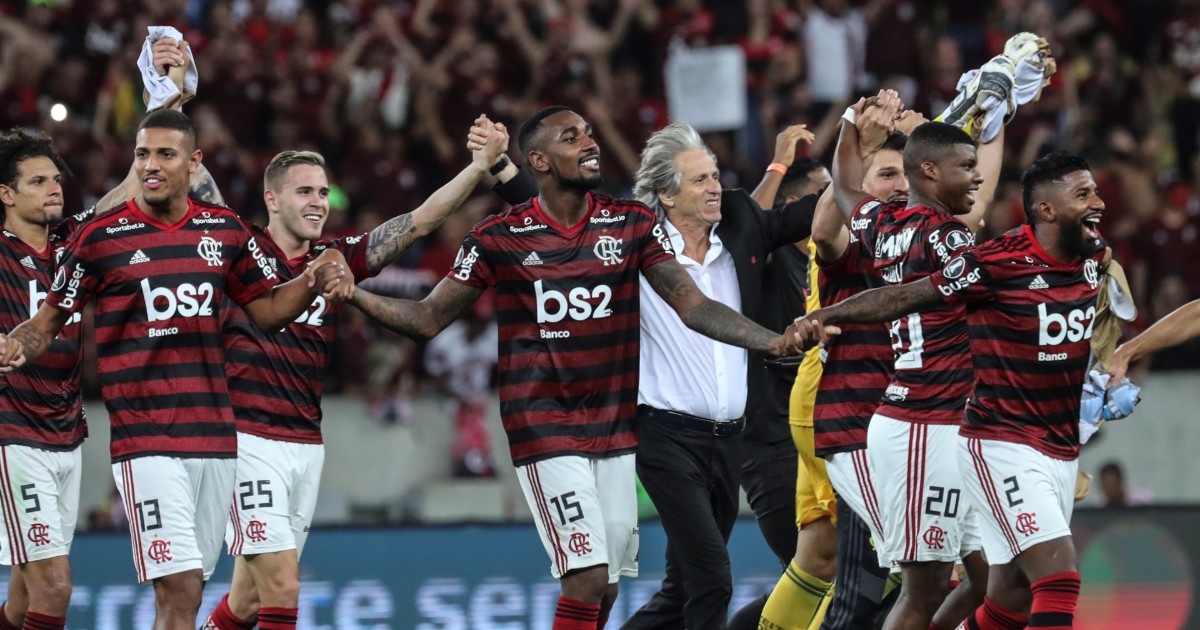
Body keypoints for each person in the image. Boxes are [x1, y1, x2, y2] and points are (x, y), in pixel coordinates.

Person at [348, 106, 806, 630]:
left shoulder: (630, 225)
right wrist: (353, 295)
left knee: (605, 589)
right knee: (593, 579)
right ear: (541, 160)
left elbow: (695, 306)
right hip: (546, 426)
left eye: (589, 132)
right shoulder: (498, 236)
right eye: (572, 137)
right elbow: (427, 317)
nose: (590, 142)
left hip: (614, 428)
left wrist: (772, 341)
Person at [0, 110, 350, 630]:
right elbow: (47, 322)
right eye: (142, 154)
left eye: (165, 154)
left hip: (214, 440)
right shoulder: (98, 239)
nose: (151, 165)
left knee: (190, 594)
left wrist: (313, 279)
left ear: (193, 162)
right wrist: (14, 347)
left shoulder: (226, 231)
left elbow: (268, 312)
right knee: (177, 587)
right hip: (145, 439)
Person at [200, 121, 510, 630]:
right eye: (304, 191)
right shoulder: (239, 247)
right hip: (246, 439)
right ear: (271, 199)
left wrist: (477, 169)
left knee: (248, 602)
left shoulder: (337, 259)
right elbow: (193, 180)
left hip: (305, 442)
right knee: (284, 586)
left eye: (323, 192)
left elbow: (418, 223)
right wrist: (169, 106)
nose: (318, 202)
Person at [797, 150, 1110, 630]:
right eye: (1083, 194)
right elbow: (903, 293)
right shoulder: (985, 257)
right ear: (1046, 209)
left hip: (1046, 443)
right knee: (1045, 580)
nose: (1099, 203)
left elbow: (853, 195)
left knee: (1004, 594)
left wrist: (1119, 358)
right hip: (962, 431)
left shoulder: (1091, 255)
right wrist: (825, 315)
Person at [621, 122, 816, 630]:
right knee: (712, 579)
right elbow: (560, 221)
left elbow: (818, 209)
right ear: (666, 194)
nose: (715, 188)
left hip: (730, 440)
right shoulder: (632, 244)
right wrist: (503, 170)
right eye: (699, 180)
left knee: (682, 590)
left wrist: (864, 147)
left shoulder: (739, 230)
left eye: (715, 176)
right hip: (664, 436)